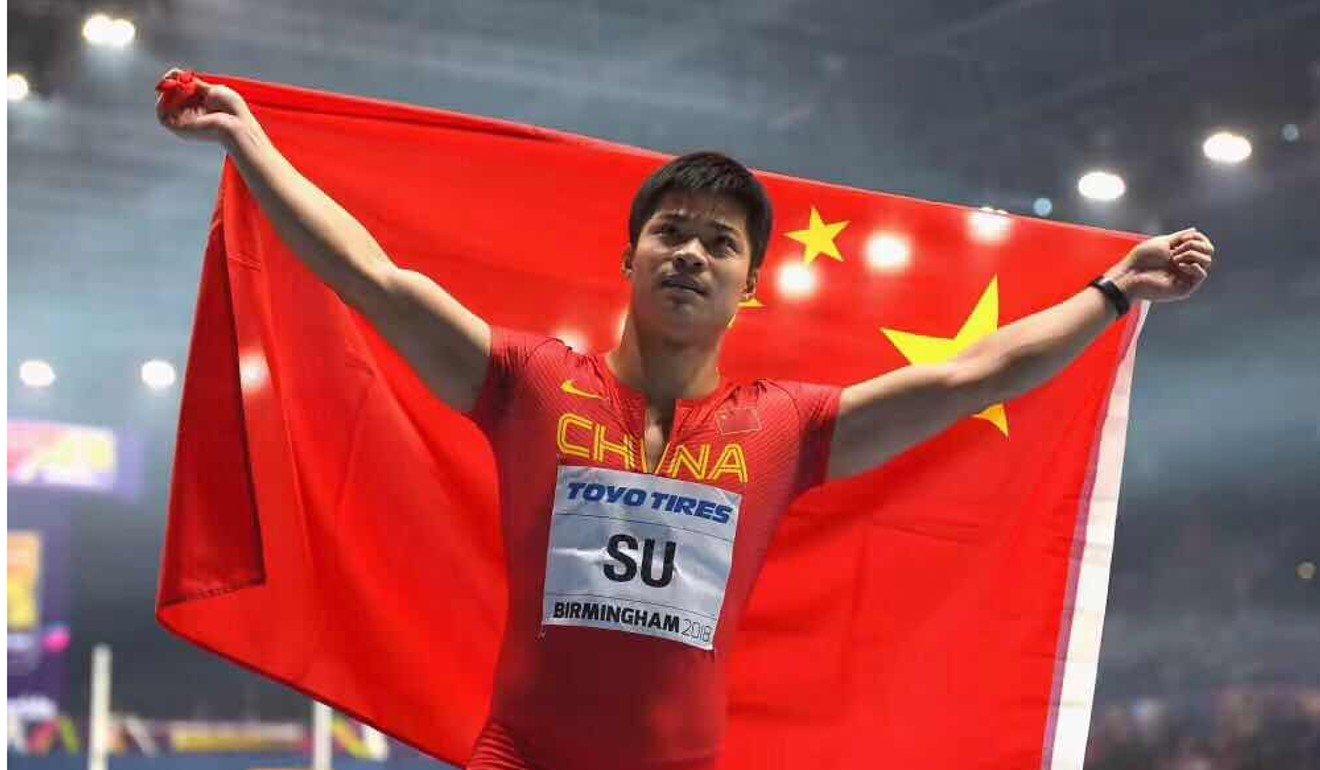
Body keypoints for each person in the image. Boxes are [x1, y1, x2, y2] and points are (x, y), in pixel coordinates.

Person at [156, 70, 1215, 770]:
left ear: (746, 285)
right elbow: (369, 274)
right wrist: (249, 143)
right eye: (672, 231)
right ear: (629, 258)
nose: (692, 253)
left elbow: (971, 375)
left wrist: (1113, 292)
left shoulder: (787, 428)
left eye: (719, 243)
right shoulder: (526, 380)